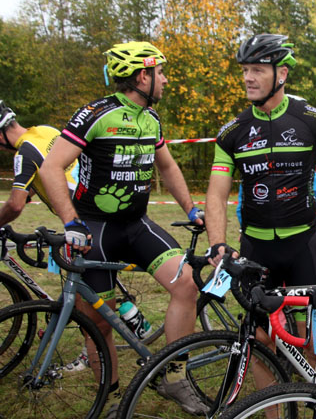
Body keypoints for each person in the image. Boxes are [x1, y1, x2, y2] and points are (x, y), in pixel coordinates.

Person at [39, 41, 206, 418]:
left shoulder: (151, 118)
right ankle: (111, 400)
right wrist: (70, 223)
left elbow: (167, 167)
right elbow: (51, 168)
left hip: (136, 225)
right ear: (142, 76)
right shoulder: (96, 114)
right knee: (99, 323)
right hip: (94, 229)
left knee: (187, 283)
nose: (164, 80)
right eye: (160, 73)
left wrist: (191, 207)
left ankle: (173, 376)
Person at [204, 34, 316, 373]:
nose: (248, 77)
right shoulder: (232, 131)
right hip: (255, 247)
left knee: (315, 337)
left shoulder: (312, 118)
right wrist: (217, 244)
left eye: (258, 70)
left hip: (302, 245)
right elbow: (216, 194)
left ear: (282, 75)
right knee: (258, 340)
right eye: (245, 70)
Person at [0, 101, 77, 226]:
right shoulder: (47, 130)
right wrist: (23, 196)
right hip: (94, 202)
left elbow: (15, 206)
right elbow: (40, 175)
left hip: (79, 217)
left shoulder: (25, 153)